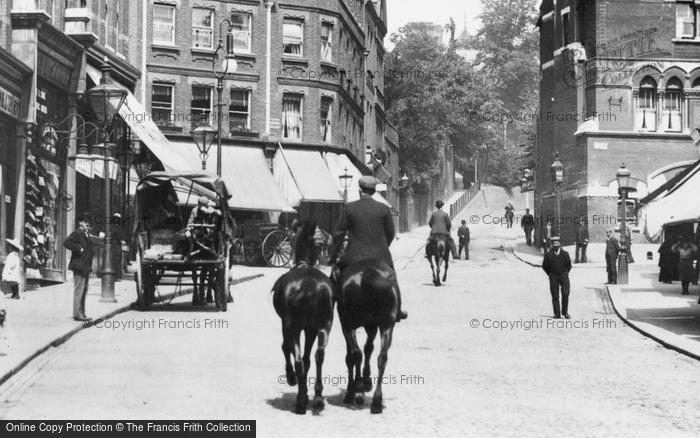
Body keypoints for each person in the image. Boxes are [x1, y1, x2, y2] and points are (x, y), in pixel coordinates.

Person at [329, 176, 406, 322]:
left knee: (334, 278)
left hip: (353, 255)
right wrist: (381, 247)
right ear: (374, 191)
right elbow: (391, 233)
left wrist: (333, 257)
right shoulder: (383, 208)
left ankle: (328, 307)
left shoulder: (349, 208)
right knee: (392, 278)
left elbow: (338, 234)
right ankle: (398, 309)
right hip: (379, 255)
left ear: (360, 189)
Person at [63, 213, 94, 322]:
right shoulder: (77, 232)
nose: (87, 224)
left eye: (88, 223)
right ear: (80, 222)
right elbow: (66, 242)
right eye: (85, 222)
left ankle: (82, 313)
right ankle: (77, 313)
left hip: (85, 265)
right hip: (79, 265)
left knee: (84, 290)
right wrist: (78, 248)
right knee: (79, 290)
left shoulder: (86, 234)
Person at [541, 236, 572, 319]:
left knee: (565, 293)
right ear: (552, 245)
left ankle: (565, 312)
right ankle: (557, 314)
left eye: (557, 243)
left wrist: (565, 273)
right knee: (555, 295)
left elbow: (569, 265)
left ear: (560, 244)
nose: (556, 245)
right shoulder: (548, 255)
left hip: (564, 276)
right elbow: (544, 266)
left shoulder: (565, 254)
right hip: (553, 276)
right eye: (554, 244)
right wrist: (551, 274)